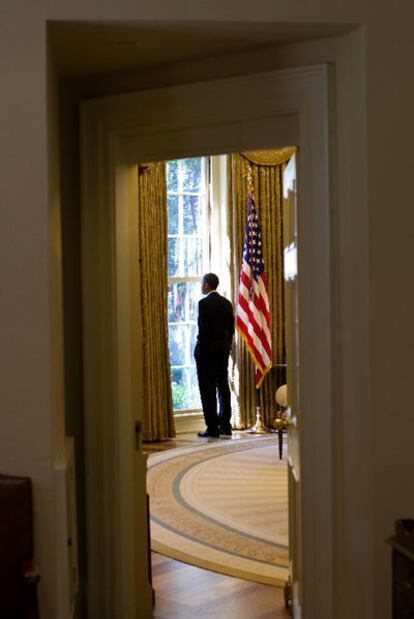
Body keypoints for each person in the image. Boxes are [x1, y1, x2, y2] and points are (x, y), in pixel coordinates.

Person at [194, 273, 234, 438]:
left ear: (207, 285)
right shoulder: (227, 303)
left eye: (202, 283)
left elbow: (204, 330)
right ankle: (225, 425)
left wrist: (199, 349)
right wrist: (227, 345)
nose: (202, 286)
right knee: (223, 386)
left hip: (207, 352)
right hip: (223, 350)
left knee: (208, 388)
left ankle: (212, 427)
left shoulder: (203, 304)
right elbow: (231, 328)